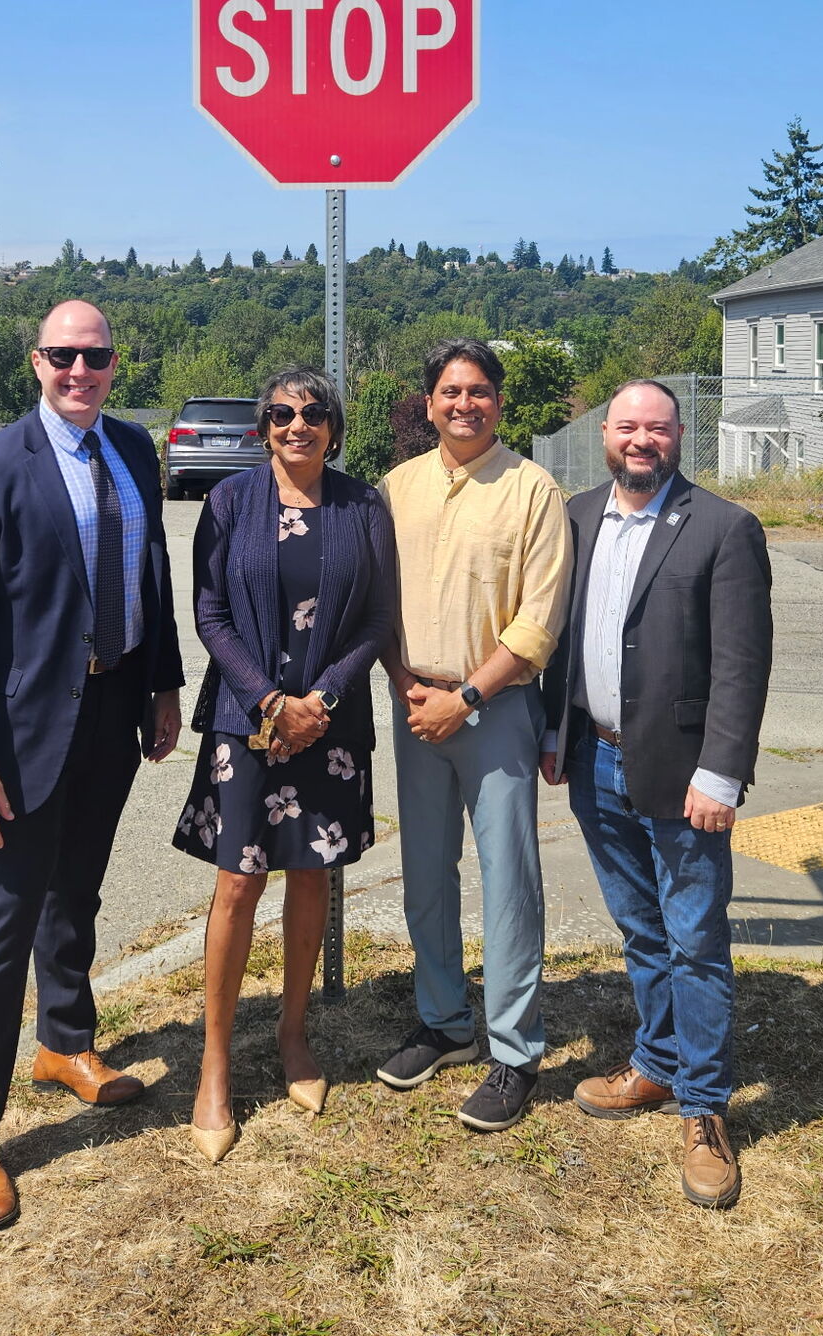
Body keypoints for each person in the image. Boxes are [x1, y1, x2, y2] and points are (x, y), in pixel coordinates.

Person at [0, 300, 184, 1229]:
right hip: (24, 728)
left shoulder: (132, 450)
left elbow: (149, 572)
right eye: (64, 355)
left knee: (78, 889)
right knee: (5, 917)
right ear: (36, 361)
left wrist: (162, 685)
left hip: (113, 709)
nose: (81, 370)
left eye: (97, 355)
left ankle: (66, 1043)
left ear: (117, 362)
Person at [542, 379, 773, 1210]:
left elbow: (742, 665)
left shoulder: (724, 528)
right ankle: (657, 1063)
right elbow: (563, 638)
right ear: (604, 434)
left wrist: (721, 772)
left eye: (658, 429)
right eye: (628, 427)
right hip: (595, 764)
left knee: (696, 940)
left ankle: (706, 1110)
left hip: (684, 776)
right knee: (641, 928)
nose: (642, 441)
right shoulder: (575, 517)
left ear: (681, 436)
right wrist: (552, 730)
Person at [175, 365, 396, 1164]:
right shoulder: (231, 502)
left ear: (333, 426)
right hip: (248, 720)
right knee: (238, 882)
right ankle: (215, 1064)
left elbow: (377, 618)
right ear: (261, 426)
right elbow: (209, 610)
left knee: (311, 873)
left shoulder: (363, 504)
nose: (295, 424)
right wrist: (271, 700)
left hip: (329, 726)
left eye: (311, 413)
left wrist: (322, 698)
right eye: (279, 413)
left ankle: (294, 1035)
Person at [375, 338, 572, 1133]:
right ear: (428, 405)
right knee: (425, 872)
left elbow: (540, 618)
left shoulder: (533, 490)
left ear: (498, 401)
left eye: (479, 391)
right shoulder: (395, 488)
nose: (465, 403)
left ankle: (515, 1050)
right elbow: (375, 598)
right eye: (450, 391)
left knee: (509, 882)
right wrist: (403, 683)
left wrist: (465, 694)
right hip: (413, 700)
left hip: (493, 707)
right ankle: (445, 1020)